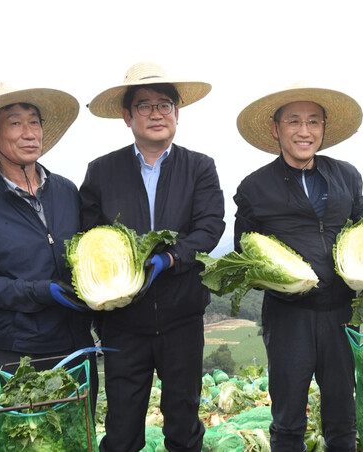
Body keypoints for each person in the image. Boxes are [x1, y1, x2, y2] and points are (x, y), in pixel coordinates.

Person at [80, 61, 225, 452]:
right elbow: (87, 238)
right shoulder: (101, 172)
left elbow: (210, 227)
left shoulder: (199, 168)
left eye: (165, 104)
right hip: (123, 324)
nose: (156, 114)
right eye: (144, 105)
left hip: (182, 319)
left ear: (177, 113)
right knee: (123, 431)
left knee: (182, 425)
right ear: (127, 116)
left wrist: (171, 259)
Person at [234, 84, 363, 452]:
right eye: (293, 121)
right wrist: (284, 283)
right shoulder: (254, 187)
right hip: (288, 316)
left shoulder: (347, 176)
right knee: (289, 420)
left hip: (341, 312)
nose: (304, 131)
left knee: (343, 417)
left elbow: (360, 229)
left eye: (313, 121)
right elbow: (244, 255)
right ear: (276, 129)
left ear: (323, 129)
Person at [0, 82, 97, 401]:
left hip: (77, 350)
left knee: (81, 444)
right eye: (14, 122)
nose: (29, 133)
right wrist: (41, 291)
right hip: (17, 356)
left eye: (34, 121)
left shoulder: (66, 190)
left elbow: (87, 253)